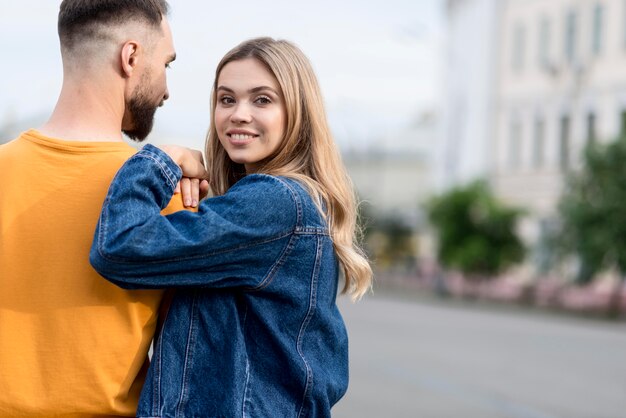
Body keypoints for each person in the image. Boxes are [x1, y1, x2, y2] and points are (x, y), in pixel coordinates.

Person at [89, 37, 373, 417]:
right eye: (227, 99)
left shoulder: (275, 202)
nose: (239, 114)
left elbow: (120, 247)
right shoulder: (292, 202)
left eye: (262, 100)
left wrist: (162, 161)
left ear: (298, 113)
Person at [0, 1, 206, 416]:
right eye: (167, 64)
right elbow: (183, 358)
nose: (167, 89)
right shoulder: (172, 195)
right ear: (130, 57)